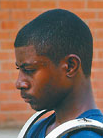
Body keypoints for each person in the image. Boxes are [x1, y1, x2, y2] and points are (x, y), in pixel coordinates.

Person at [14, 9, 103, 137]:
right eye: (19, 70)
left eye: (29, 70)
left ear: (70, 66)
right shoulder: (36, 129)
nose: (19, 83)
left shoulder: (90, 135)